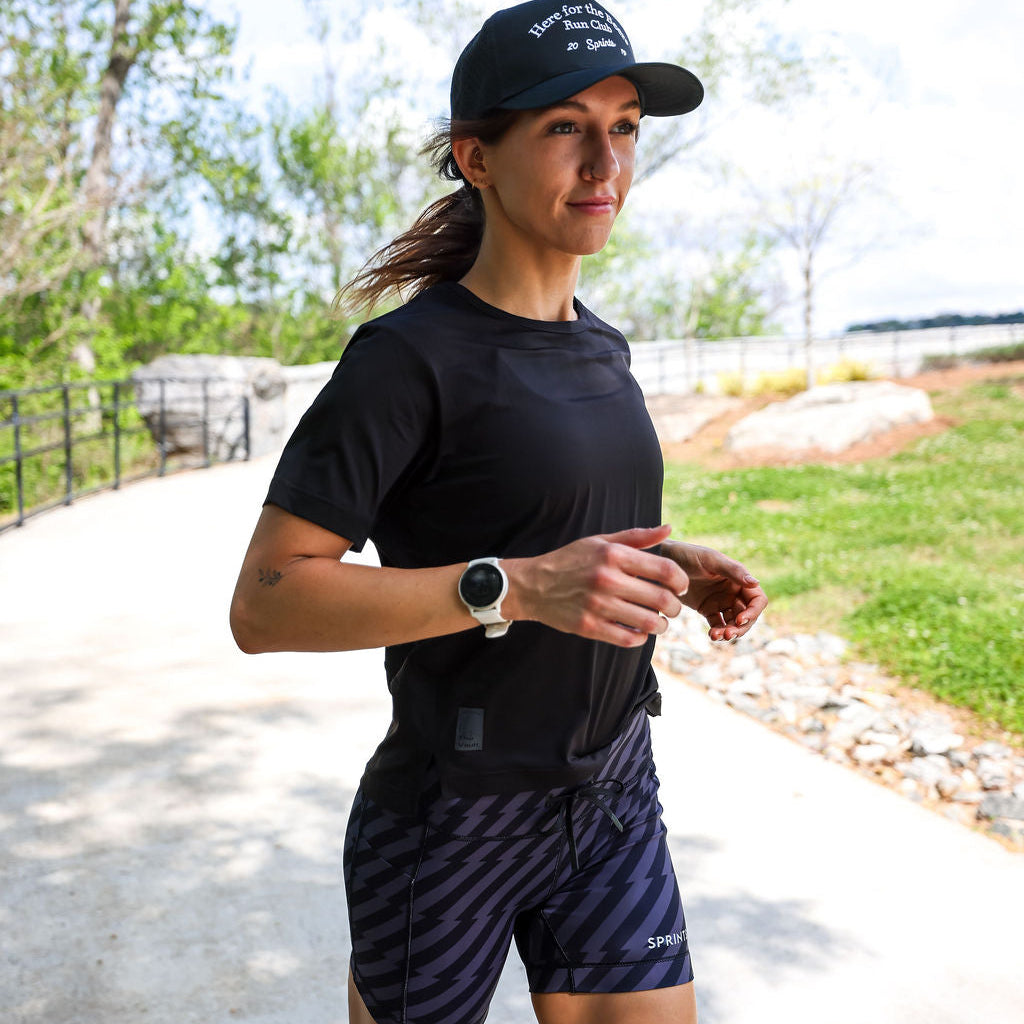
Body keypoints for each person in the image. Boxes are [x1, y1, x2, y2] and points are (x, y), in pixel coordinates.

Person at [230, 3, 767, 1022]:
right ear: (477, 159)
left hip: (610, 792)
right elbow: (265, 603)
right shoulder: (405, 360)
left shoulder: (602, 347)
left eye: (623, 127)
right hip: (451, 818)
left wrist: (672, 568)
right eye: (566, 127)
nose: (605, 162)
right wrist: (514, 588)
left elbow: (551, 527)